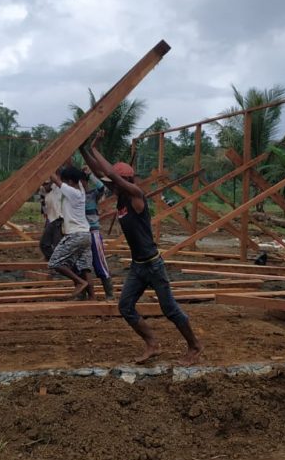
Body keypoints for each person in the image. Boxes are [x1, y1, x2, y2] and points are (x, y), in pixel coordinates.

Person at [81, 131, 202, 365]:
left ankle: (195, 346)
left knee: (170, 310)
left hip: (153, 264)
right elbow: (100, 173)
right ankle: (152, 344)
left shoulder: (136, 195)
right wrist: (83, 149)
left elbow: (109, 174)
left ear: (125, 181)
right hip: (138, 267)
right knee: (125, 306)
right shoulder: (120, 195)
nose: (111, 186)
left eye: (115, 182)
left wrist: (95, 149)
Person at [47, 166, 94, 297]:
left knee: (55, 262)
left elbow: (56, 180)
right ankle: (93, 299)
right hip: (85, 234)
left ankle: (79, 282)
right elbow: (72, 175)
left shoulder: (72, 192)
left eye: (66, 181)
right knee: (85, 268)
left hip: (75, 235)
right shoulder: (80, 190)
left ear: (70, 182)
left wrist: (47, 166)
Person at [84, 168, 115, 300]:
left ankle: (109, 293)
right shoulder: (73, 195)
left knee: (99, 263)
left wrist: (90, 175)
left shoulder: (92, 195)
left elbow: (103, 187)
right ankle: (83, 293)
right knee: (81, 264)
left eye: (82, 181)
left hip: (93, 232)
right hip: (80, 233)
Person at [38, 180, 64, 260]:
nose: (44, 187)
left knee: (57, 242)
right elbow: (43, 204)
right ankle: (53, 259)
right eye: (43, 184)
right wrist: (46, 215)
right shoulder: (42, 190)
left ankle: (59, 261)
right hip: (51, 219)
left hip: (59, 219)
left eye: (46, 184)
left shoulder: (57, 189)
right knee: (44, 244)